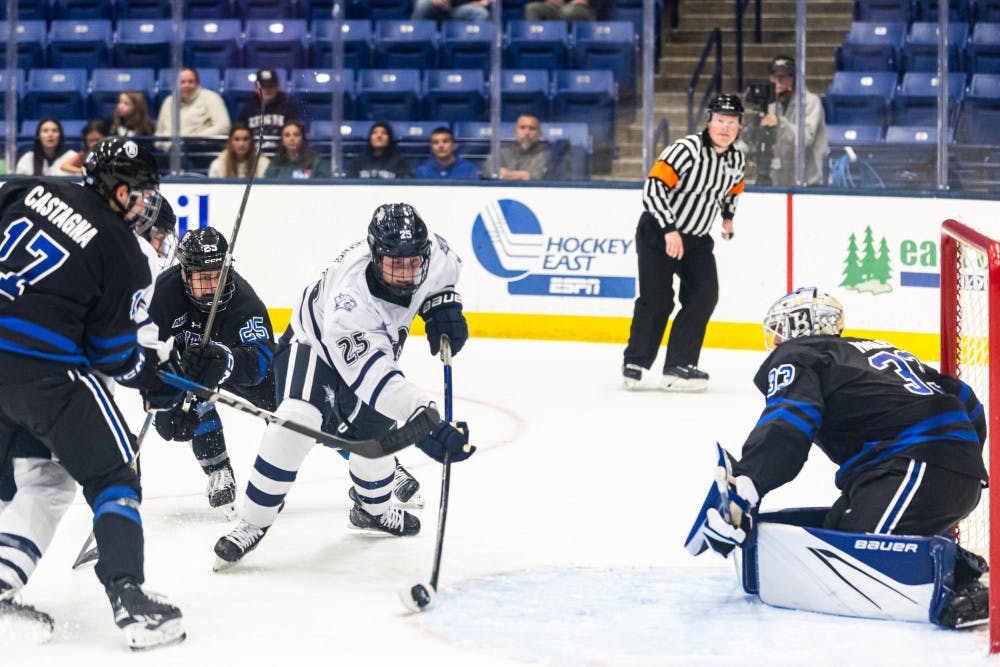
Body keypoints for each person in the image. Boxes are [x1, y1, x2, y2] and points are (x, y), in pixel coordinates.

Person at [684, 286, 989, 628]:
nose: (776, 341)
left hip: (914, 469)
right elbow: (967, 400)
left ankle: (968, 585)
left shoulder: (799, 354)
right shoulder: (875, 350)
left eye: (780, 331)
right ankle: (949, 564)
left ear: (799, 326)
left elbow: (789, 422)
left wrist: (750, 481)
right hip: (923, 470)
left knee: (853, 563)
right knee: (838, 530)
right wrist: (962, 461)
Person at [0, 136, 189, 649]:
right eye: (145, 192)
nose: (147, 203)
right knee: (114, 475)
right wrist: (153, 379)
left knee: (43, 477)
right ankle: (130, 600)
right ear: (121, 190)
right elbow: (111, 356)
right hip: (43, 376)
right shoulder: (121, 251)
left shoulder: (29, 188)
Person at [212, 203, 475, 569]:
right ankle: (252, 522)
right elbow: (375, 380)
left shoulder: (435, 253)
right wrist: (425, 418)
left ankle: (374, 511)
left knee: (373, 447)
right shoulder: (349, 303)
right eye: (393, 264)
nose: (404, 274)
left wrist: (443, 306)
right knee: (294, 422)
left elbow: (446, 278)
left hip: (369, 354)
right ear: (374, 255)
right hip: (314, 344)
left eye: (412, 263)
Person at [147, 227, 276, 516]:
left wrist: (226, 360)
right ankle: (219, 471)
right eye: (204, 278)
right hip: (188, 369)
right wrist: (164, 399)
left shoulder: (244, 302)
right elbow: (146, 355)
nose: (213, 285)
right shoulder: (162, 296)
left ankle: (374, 468)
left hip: (236, 366)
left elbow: (262, 361)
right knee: (184, 400)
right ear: (184, 275)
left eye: (219, 275)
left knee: (295, 407)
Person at [621, 94, 745, 392]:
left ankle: (679, 365)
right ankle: (636, 361)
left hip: (698, 239)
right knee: (658, 298)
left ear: (739, 127)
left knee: (704, 295)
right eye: (720, 121)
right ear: (709, 121)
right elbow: (653, 187)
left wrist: (727, 218)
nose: (725, 128)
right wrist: (669, 229)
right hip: (658, 233)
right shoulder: (686, 149)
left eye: (732, 123)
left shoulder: (736, 159)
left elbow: (733, 190)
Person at [759, 55, 828, 187]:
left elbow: (805, 139)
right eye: (775, 75)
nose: (778, 80)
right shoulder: (770, 103)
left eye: (784, 76)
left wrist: (780, 123)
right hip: (778, 182)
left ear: (794, 79)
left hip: (808, 183)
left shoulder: (810, 101)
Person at [154, 67, 231, 147]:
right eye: (182, 82)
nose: (186, 85)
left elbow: (224, 127)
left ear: (197, 83)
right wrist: (165, 145)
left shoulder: (211, 98)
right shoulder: (168, 101)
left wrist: (191, 141)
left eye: (190, 82)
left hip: (199, 151)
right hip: (169, 152)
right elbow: (159, 133)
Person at [237, 68, 303, 155]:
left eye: (271, 86)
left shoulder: (288, 107)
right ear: (256, 88)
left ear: (278, 87)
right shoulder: (247, 108)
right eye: (263, 87)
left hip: (282, 156)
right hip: (254, 156)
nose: (267, 90)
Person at [483, 114, 549, 181]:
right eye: (522, 128)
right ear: (515, 131)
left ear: (539, 133)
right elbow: (489, 171)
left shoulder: (547, 156)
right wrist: (524, 175)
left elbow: (539, 177)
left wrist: (507, 174)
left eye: (532, 128)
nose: (527, 132)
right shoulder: (501, 152)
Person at [263, 120, 330, 180]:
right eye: (287, 135)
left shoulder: (316, 163)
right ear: (282, 141)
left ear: (302, 139)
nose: (292, 138)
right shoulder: (275, 164)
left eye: (296, 135)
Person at [347, 121, 412, 179]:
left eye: (384, 133)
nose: (379, 136)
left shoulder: (399, 162)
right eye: (375, 133)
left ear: (390, 138)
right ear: (370, 138)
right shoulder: (359, 162)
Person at [415, 126, 479, 180]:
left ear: (454, 145)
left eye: (445, 141)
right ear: (431, 147)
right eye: (435, 142)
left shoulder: (469, 169)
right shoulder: (423, 171)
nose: (441, 146)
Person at [412, 0, 492, 21]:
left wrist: (481, 3)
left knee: (481, 13)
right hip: (434, 8)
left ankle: (468, 50)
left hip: (458, 11)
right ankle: (415, 41)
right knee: (422, 4)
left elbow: (486, 2)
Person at [524, 0, 597, 22]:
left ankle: (565, 46)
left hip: (577, 7)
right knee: (532, 8)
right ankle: (535, 43)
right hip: (554, 6)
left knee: (567, 11)